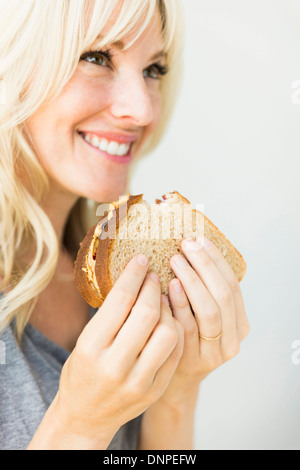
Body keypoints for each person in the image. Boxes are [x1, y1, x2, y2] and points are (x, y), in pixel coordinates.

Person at [0, 0, 250, 450]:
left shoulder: (112, 277)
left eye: (153, 69)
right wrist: (78, 425)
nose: (143, 110)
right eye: (96, 57)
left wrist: (175, 395)